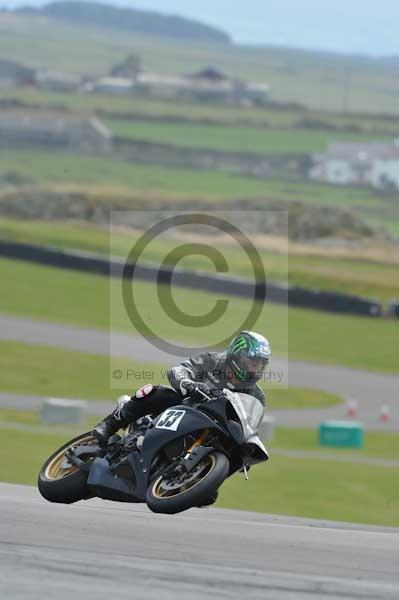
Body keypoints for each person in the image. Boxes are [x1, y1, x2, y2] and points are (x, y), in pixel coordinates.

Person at [93, 331, 271, 447]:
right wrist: (189, 384)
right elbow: (178, 370)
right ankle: (109, 424)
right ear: (237, 356)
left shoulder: (256, 396)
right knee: (160, 393)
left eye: (260, 366)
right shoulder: (211, 361)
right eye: (252, 363)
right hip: (182, 410)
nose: (255, 370)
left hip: (208, 432)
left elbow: (250, 428)